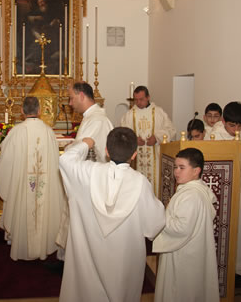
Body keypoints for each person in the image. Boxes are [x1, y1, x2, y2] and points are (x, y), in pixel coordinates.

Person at [58, 127, 165, 302]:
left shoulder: (87, 173)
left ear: (107, 151)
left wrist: (86, 143)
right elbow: (154, 225)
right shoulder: (140, 183)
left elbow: (65, 159)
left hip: (87, 258)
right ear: (134, 154)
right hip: (124, 263)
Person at [0, 96, 65, 261]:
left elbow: (4, 163)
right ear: (39, 111)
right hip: (44, 187)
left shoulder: (16, 133)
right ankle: (42, 248)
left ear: (22, 111)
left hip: (23, 188)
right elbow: (56, 162)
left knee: (22, 205)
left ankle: (22, 246)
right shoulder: (48, 132)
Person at [152, 147, 219, 302]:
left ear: (196, 171)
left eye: (182, 168)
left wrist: (158, 215)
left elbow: (181, 228)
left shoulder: (191, 195)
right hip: (191, 252)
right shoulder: (197, 190)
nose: (176, 172)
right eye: (175, 167)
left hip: (184, 256)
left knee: (180, 292)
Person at [206, 101, 241, 277]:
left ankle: (237, 272)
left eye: (240, 125)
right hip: (218, 195)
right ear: (223, 121)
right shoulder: (213, 137)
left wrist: (239, 165)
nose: (236, 130)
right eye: (232, 125)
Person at [56, 81, 114, 251]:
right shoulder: (91, 117)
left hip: (92, 180)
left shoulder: (97, 120)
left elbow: (85, 147)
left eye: (72, 98)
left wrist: (70, 148)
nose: (70, 103)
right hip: (87, 177)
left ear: (82, 95)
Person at [120, 85, 176, 197]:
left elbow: (171, 129)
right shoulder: (130, 115)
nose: (138, 102)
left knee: (155, 188)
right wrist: (133, 140)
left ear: (148, 97)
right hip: (136, 160)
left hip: (155, 158)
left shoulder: (159, 112)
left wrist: (157, 138)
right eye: (136, 99)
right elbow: (122, 134)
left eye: (141, 99)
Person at [24, 0, 61, 74]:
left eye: (43, 2)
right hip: (37, 38)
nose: (42, 4)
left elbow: (55, 25)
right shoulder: (34, 14)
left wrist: (54, 23)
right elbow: (31, 28)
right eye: (40, 2)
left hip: (50, 38)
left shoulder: (52, 13)